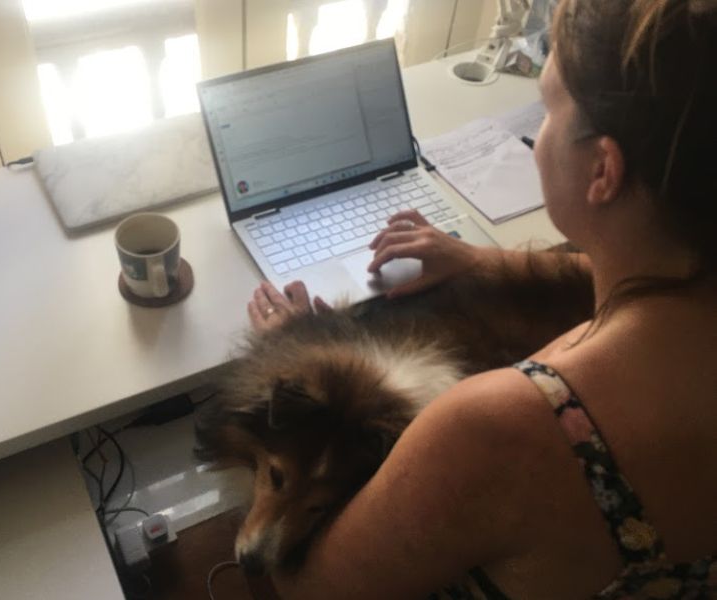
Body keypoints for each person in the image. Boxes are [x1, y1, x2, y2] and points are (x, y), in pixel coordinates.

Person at [246, 0, 717, 597]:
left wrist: (290, 355)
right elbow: (604, 279)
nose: (538, 132)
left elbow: (314, 589)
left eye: (546, 108)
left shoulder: (497, 430)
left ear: (603, 170)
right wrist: (481, 260)